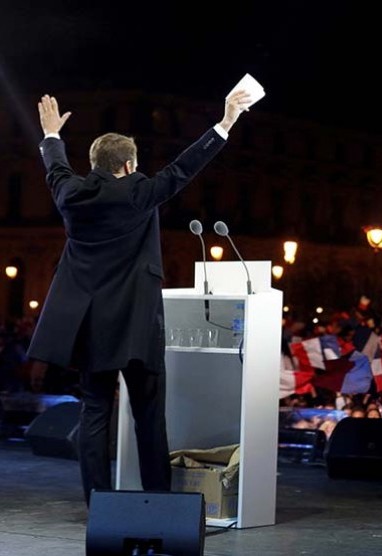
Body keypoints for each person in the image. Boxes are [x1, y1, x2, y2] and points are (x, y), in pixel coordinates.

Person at [27, 90, 251, 504]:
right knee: (149, 417)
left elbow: (56, 168)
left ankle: (98, 501)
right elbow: (184, 168)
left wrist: (52, 135)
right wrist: (225, 123)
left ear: (94, 165)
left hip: (92, 328)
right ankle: (158, 502)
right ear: (129, 166)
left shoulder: (70, 195)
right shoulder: (139, 192)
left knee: (94, 413)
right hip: (137, 325)